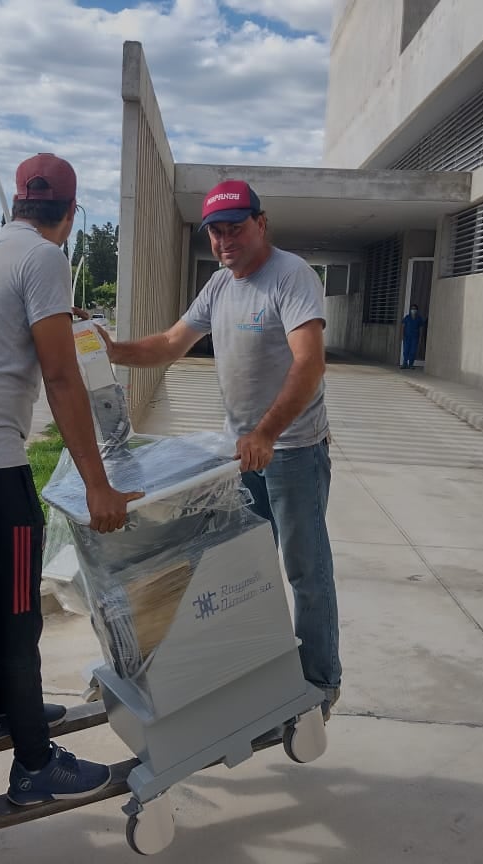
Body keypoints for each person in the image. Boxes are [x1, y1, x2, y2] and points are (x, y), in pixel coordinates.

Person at [0, 153, 141, 806]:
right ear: (71, 216)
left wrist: (64, 315)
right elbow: (60, 377)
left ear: (17, 206)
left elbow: (1, 328)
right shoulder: (46, 258)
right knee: (20, 613)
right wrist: (99, 486)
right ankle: (33, 766)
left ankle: (6, 709)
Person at [98, 180, 341, 719]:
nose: (225, 239)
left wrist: (267, 434)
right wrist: (114, 350)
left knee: (304, 569)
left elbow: (309, 364)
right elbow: (168, 344)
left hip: (293, 453)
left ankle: (320, 682)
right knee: (238, 568)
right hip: (241, 457)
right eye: (216, 231)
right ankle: (252, 665)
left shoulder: (292, 275)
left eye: (235, 227)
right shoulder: (219, 286)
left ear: (262, 223)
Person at [400, 304, 426, 369]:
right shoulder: (407, 317)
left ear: (417, 310)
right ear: (410, 310)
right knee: (406, 350)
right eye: (412, 309)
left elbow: (421, 328)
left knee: (413, 351)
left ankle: (411, 364)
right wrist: (402, 335)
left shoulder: (419, 318)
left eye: (414, 309)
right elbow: (403, 326)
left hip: (415, 337)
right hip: (407, 337)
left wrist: (420, 338)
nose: (413, 310)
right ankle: (404, 364)